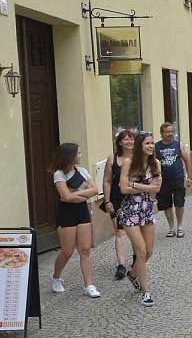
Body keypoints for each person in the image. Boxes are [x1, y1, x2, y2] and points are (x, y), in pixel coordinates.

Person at [49, 143, 101, 298]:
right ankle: (56, 277)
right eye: (78, 153)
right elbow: (65, 197)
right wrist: (83, 194)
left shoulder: (83, 171)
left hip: (82, 212)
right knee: (67, 251)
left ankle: (88, 285)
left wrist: (76, 194)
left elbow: (95, 190)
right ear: (70, 155)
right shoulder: (59, 174)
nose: (80, 155)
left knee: (85, 250)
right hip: (66, 214)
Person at [119, 131, 162, 307]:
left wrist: (135, 185)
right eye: (147, 143)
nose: (151, 146)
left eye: (152, 143)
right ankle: (146, 292)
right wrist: (145, 187)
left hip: (147, 210)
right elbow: (123, 189)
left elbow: (157, 189)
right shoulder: (128, 163)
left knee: (149, 252)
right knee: (141, 251)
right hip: (130, 210)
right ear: (139, 145)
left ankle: (133, 274)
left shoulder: (156, 164)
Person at [102, 129, 135, 280]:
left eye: (131, 138)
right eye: (126, 139)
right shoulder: (112, 159)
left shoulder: (139, 158)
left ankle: (137, 257)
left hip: (135, 198)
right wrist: (107, 201)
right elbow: (107, 181)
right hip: (116, 199)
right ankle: (121, 265)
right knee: (120, 232)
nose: (129, 141)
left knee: (136, 231)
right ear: (120, 142)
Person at [154, 123, 192, 238]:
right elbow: (152, 164)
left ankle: (179, 226)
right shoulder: (156, 147)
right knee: (166, 205)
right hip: (163, 181)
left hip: (178, 178)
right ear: (162, 133)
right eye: (168, 132)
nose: (171, 134)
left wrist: (190, 177)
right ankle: (171, 228)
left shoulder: (178, 145)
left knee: (179, 203)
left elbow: (187, 160)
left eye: (172, 131)